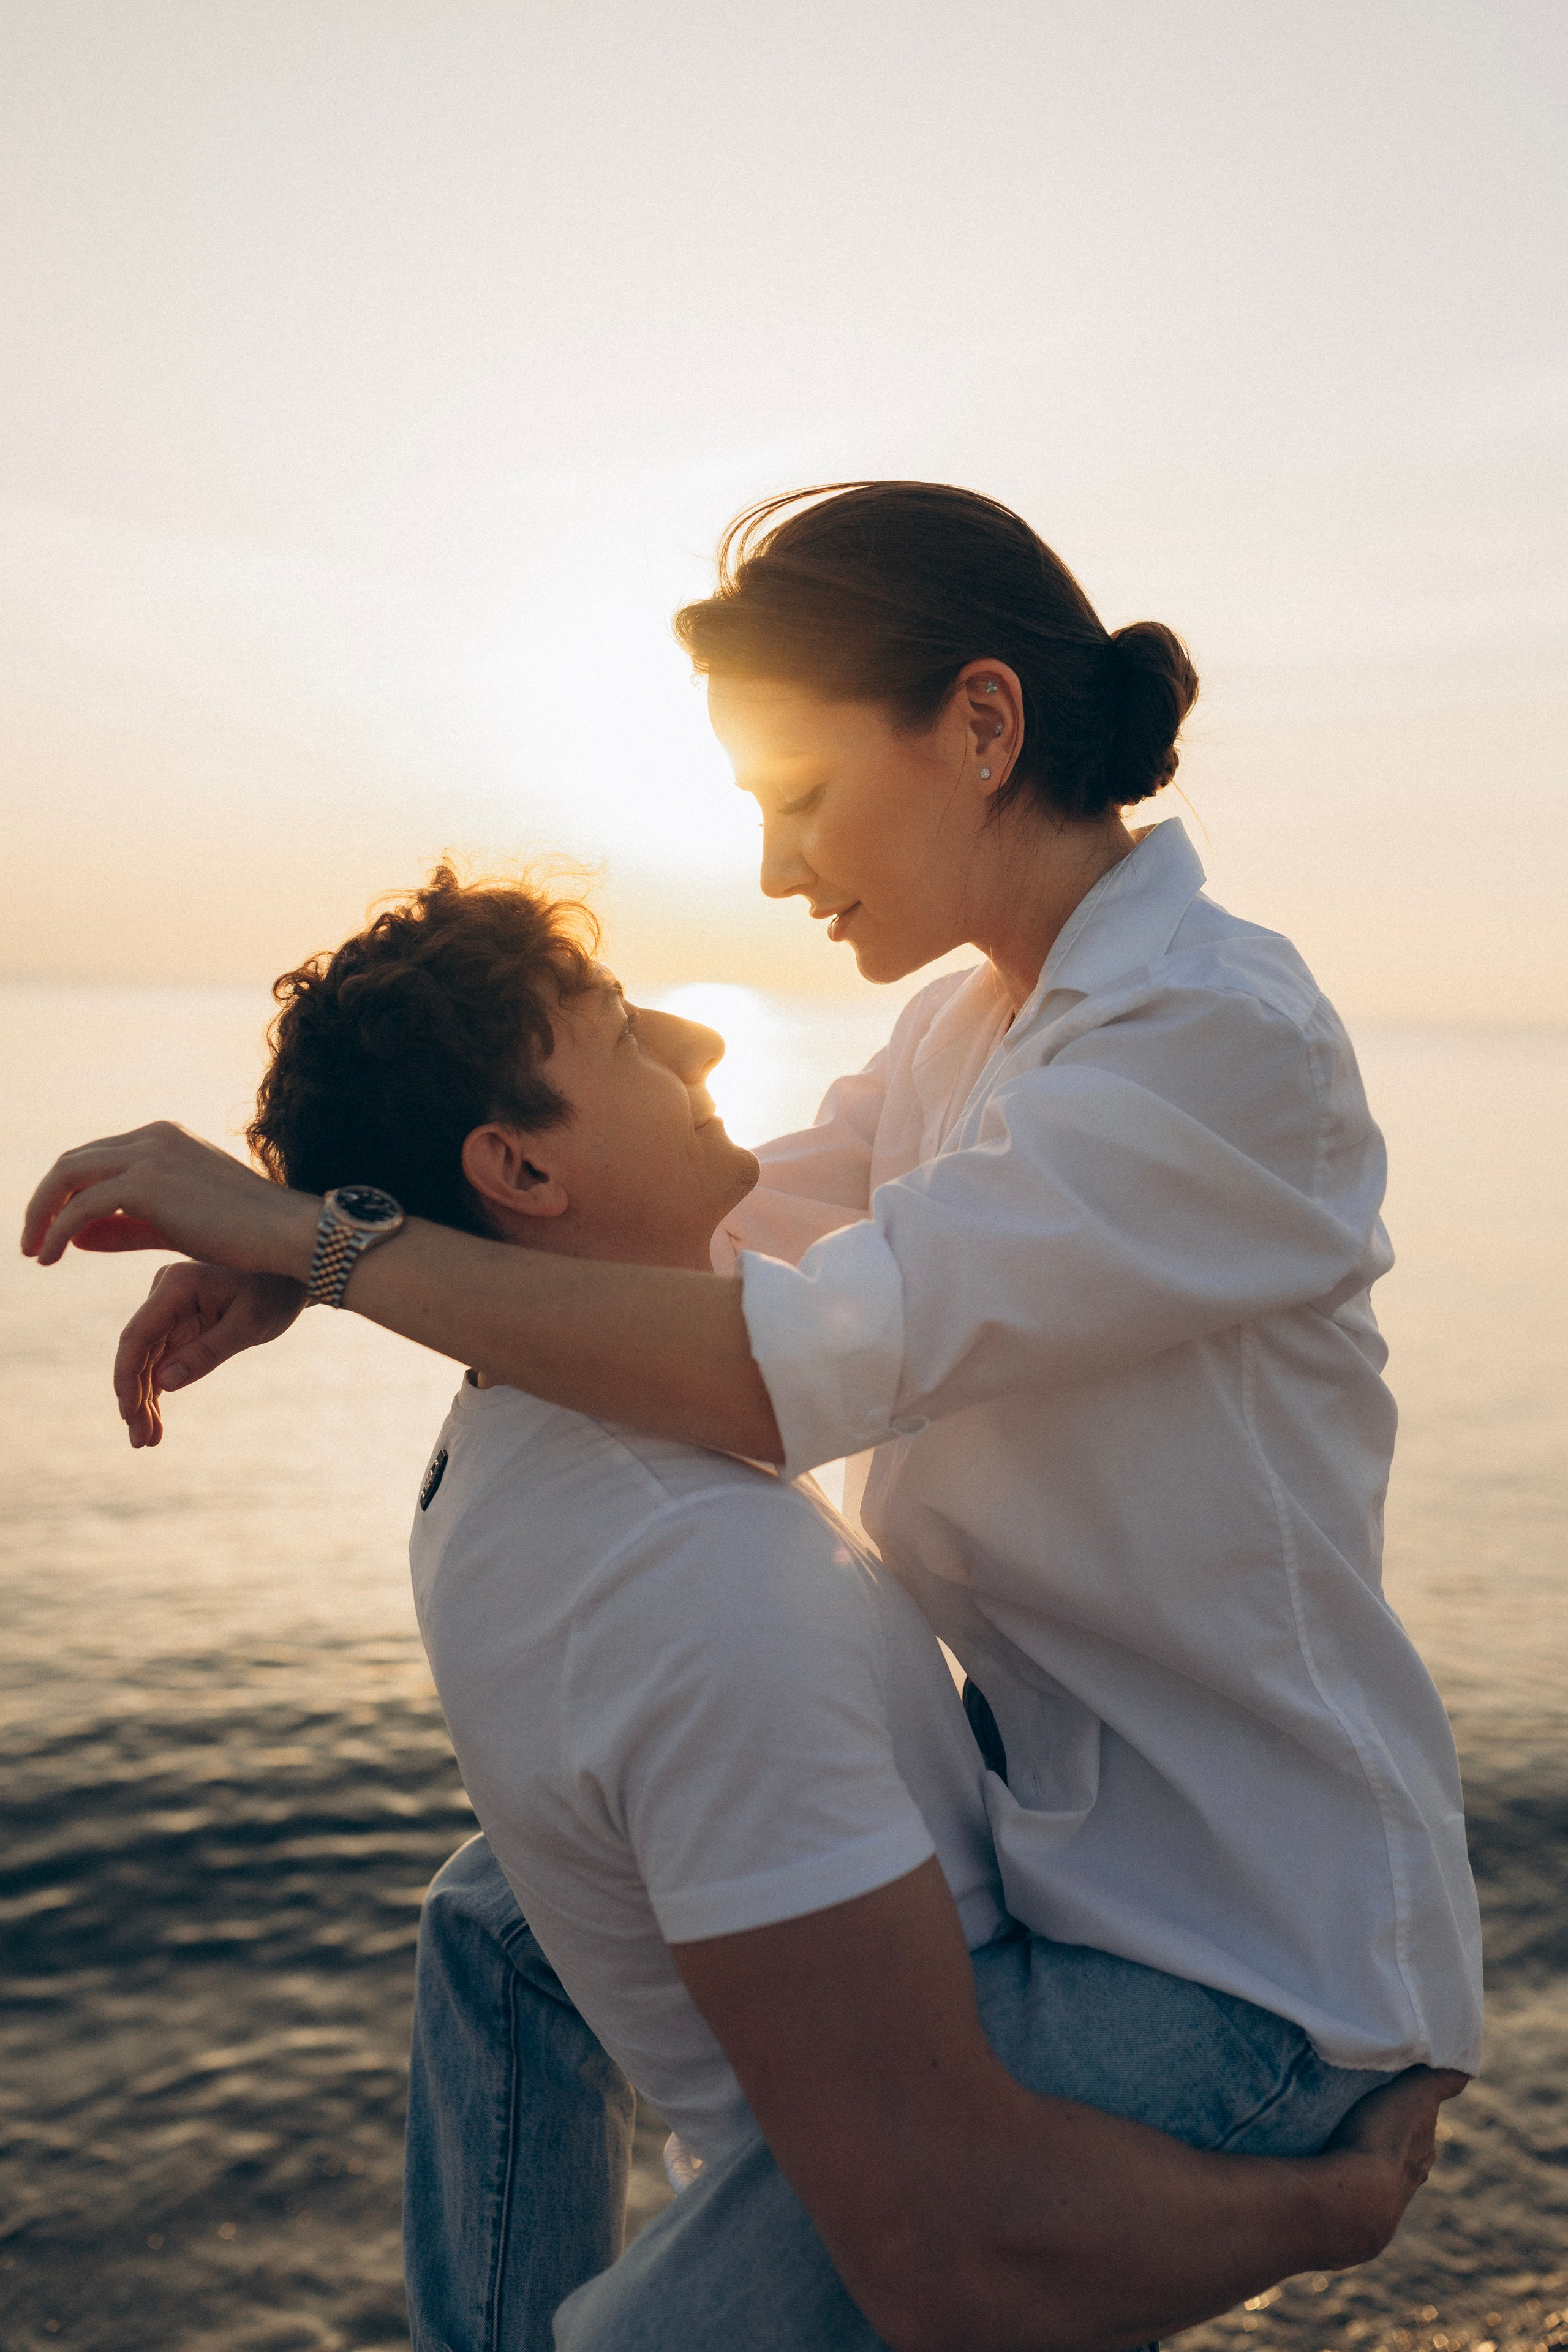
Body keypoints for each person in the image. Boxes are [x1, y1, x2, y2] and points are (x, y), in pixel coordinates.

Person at [24, 483, 1482, 2335]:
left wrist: (324, 1247)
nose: (781, 873)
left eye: (796, 801)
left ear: (980, 726)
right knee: (510, 1923)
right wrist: (344, 1241)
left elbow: (768, 1363)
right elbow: (721, 1237)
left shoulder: (1213, 1047)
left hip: (1241, 1952)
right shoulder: (977, 1031)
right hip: (1072, 1847)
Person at [183, 865, 1464, 2350]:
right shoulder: (699, 1575)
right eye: (617, 1029)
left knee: (500, 1912)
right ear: (520, 1174)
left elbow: (802, 1270)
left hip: (1197, 1904)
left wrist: (327, 1245)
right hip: (1096, 2024)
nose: (704, 1046)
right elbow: (947, 2256)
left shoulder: (502, 1461)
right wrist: (1336, 2217)